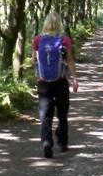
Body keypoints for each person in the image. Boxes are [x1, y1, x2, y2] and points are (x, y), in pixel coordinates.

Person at [32, 12, 79, 158]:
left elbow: (33, 61)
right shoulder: (64, 40)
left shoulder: (37, 40)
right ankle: (63, 142)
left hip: (44, 83)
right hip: (60, 81)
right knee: (62, 114)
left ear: (45, 23)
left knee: (45, 115)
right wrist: (75, 79)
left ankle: (46, 141)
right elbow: (69, 60)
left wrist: (37, 77)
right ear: (59, 24)